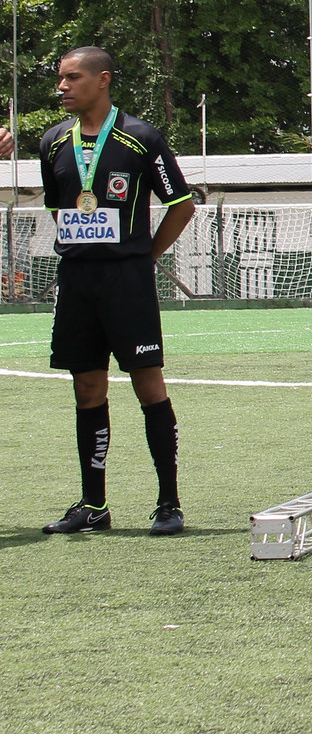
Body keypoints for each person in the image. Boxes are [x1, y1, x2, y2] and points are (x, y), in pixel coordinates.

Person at [33, 48, 196, 537]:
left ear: (102, 80)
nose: (62, 87)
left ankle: (168, 503)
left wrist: (142, 257)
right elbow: (58, 206)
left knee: (148, 385)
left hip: (128, 283)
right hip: (78, 282)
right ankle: (93, 505)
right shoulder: (52, 142)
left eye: (71, 78)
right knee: (87, 388)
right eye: (59, 78)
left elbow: (181, 204)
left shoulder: (141, 137)